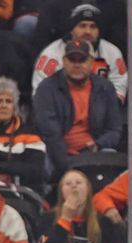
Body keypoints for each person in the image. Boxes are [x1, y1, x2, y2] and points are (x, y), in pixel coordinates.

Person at [33, 39, 123, 180]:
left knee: (110, 155)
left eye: (82, 60)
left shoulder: (105, 87)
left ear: (91, 62)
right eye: (72, 59)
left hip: (94, 150)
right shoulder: (47, 88)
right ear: (64, 61)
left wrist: (98, 144)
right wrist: (68, 164)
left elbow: (114, 129)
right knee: (43, 159)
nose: (77, 64)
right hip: (56, 153)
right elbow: (50, 134)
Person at [32, 3, 127, 102]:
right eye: (82, 26)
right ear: (72, 29)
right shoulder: (51, 54)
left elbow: (119, 84)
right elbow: (39, 93)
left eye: (93, 26)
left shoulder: (112, 52)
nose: (88, 31)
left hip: (101, 112)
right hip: (60, 113)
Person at [39, 168, 118, 243]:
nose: (74, 186)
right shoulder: (48, 218)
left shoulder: (103, 222)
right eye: (68, 184)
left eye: (79, 182)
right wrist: (65, 218)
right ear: (61, 192)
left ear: (88, 189)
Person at [0, 77, 47, 191]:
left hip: (19, 194)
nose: (4, 105)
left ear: (14, 107)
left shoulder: (30, 134)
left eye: (8, 101)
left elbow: (36, 170)